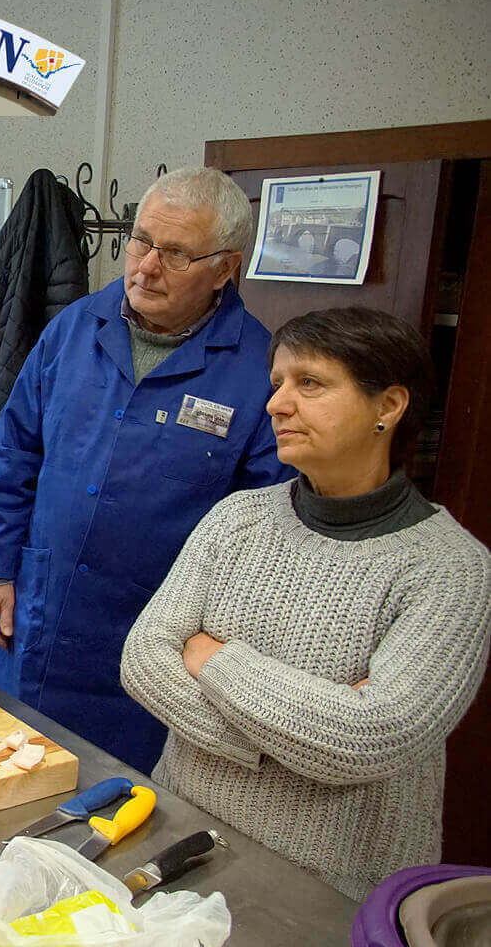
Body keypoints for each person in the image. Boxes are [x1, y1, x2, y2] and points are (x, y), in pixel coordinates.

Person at [121, 307, 490, 900]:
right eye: (278, 384)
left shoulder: (449, 568)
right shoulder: (237, 519)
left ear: (388, 407)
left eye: (310, 384)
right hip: (181, 843)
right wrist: (290, 734)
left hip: (329, 889)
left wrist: (212, 658)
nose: (276, 405)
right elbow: (143, 659)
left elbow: (371, 737)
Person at [0, 166, 293, 771]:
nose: (144, 267)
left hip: (151, 634)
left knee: (118, 805)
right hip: (39, 609)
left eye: (175, 254)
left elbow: (263, 528)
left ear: (225, 267)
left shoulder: (257, 369)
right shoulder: (73, 328)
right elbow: (14, 452)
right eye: (140, 241)